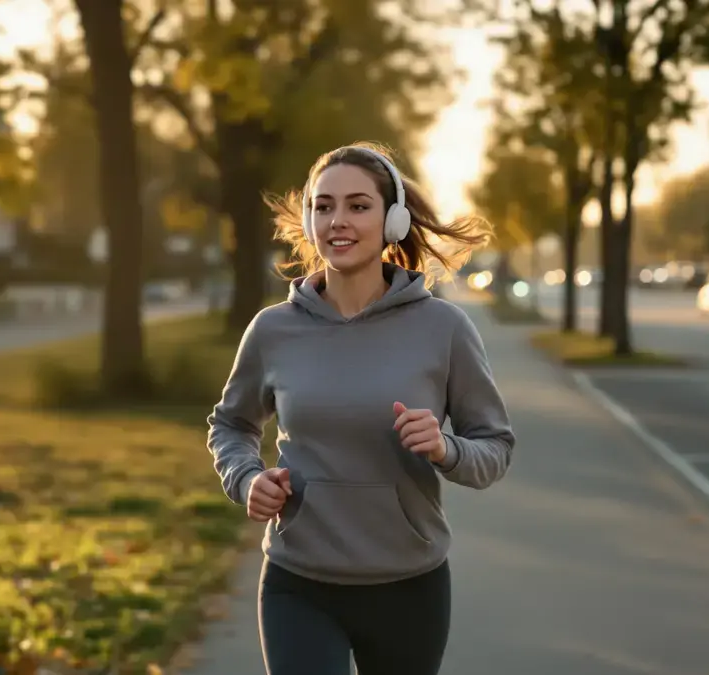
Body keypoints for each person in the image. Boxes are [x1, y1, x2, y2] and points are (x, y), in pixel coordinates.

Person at [206, 142, 516, 675]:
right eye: (323, 206)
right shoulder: (272, 329)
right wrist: (246, 477)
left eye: (358, 205)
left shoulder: (443, 329)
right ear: (308, 220)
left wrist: (447, 449)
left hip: (408, 587)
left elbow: (495, 447)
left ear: (392, 219)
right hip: (297, 583)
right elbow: (231, 425)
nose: (338, 221)